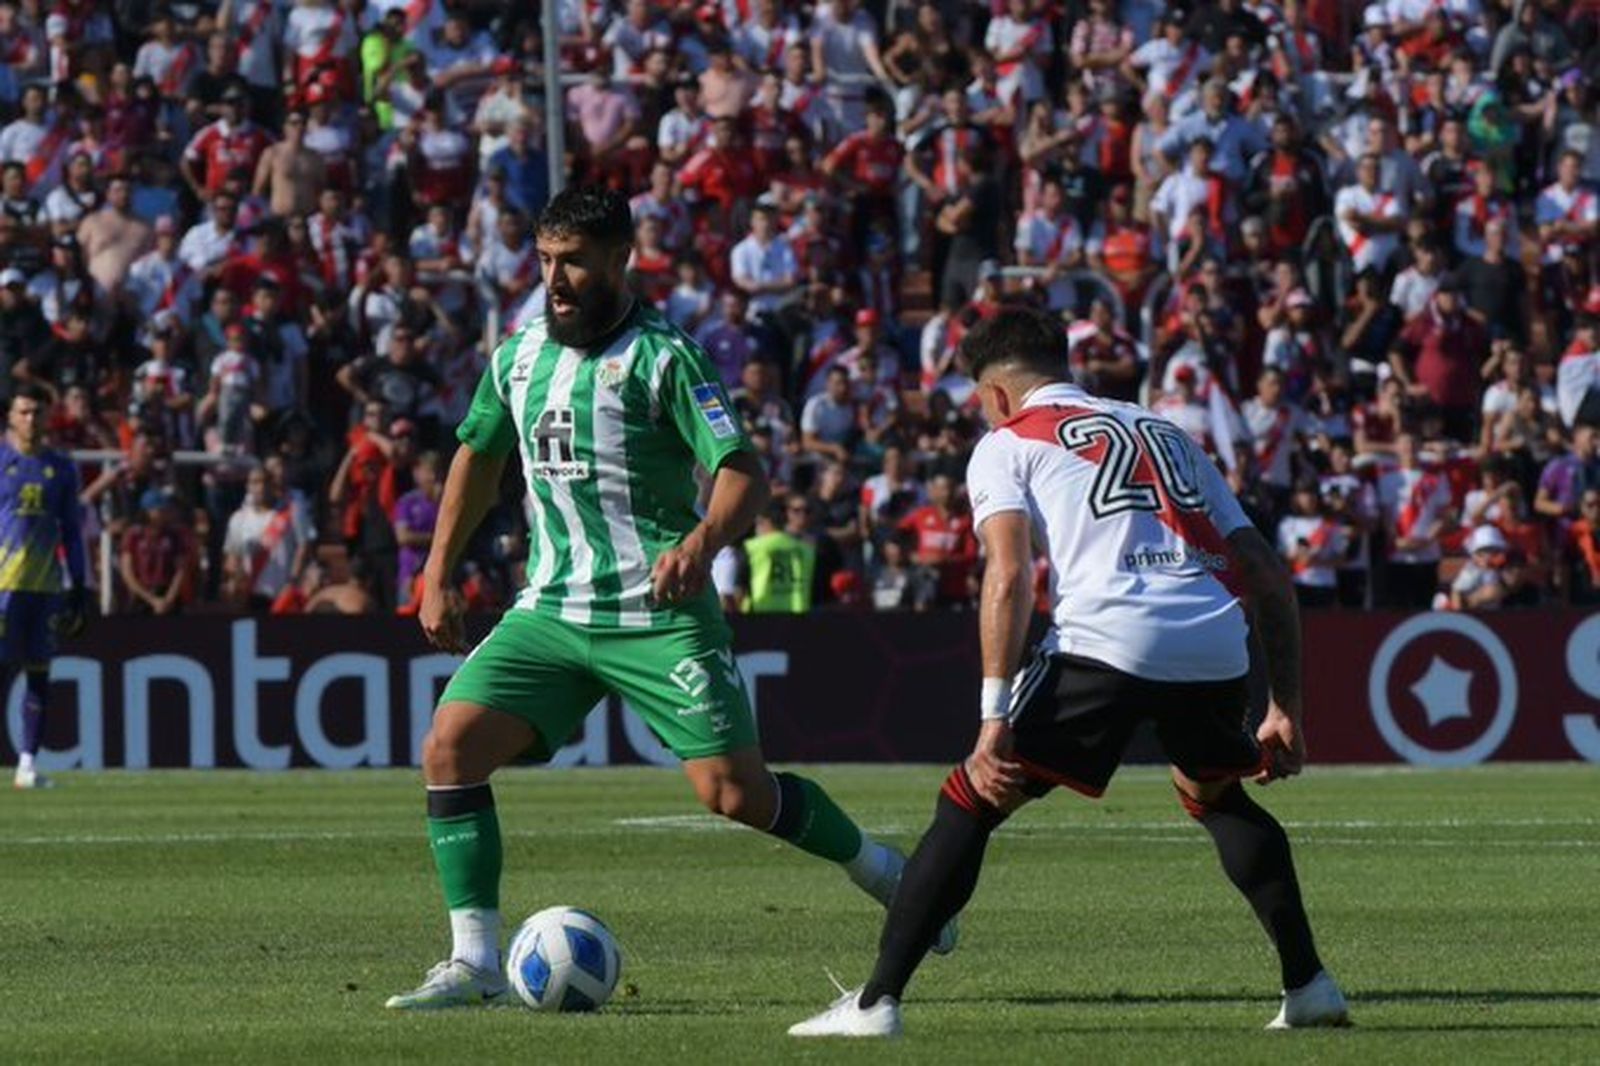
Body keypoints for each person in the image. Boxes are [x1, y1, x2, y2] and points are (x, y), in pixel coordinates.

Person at [387, 186, 954, 1010]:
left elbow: (741, 473)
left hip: (657, 612)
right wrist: (438, 568)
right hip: (550, 610)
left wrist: (700, 544)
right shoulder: (516, 356)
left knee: (734, 794)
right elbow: (478, 453)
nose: (557, 279)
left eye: (574, 261)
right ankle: (474, 963)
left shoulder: (665, 357)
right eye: (546, 261)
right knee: (450, 747)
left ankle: (884, 871)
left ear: (620, 259)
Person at [789, 307, 1347, 1038]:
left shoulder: (1006, 441)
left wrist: (994, 719)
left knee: (970, 800)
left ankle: (874, 1005)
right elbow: (1268, 575)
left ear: (994, 394)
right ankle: (1309, 985)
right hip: (1215, 638)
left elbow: (1010, 574)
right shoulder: (1166, 432)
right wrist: (1285, 706)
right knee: (1213, 793)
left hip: (1108, 638)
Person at [1, 386, 88, 789]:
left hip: (45, 586)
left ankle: (26, 765)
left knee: (38, 674)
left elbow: (71, 530)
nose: (31, 420)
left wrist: (80, 585)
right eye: (24, 412)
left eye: (37, 412)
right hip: (3, 585)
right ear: (10, 417)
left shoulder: (60, 467)